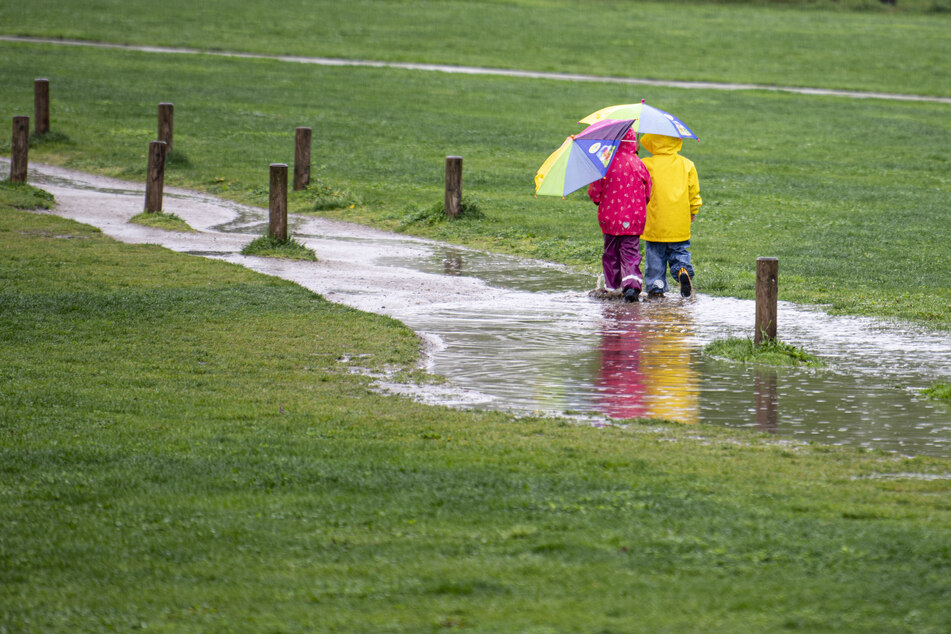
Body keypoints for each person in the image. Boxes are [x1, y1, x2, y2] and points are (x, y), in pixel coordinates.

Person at [587, 128, 653, 303]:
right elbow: (648, 190)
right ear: (633, 143)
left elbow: (595, 190)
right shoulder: (639, 163)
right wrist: (641, 204)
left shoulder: (605, 163)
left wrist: (597, 199)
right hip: (633, 218)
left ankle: (612, 286)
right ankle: (631, 285)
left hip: (610, 218)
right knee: (630, 252)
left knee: (611, 252)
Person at [639, 133, 703, 298]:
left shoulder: (646, 164)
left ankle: (656, 287)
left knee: (655, 255)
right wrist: (693, 210)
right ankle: (682, 269)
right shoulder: (687, 165)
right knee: (680, 250)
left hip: (655, 221)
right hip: (679, 220)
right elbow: (693, 192)